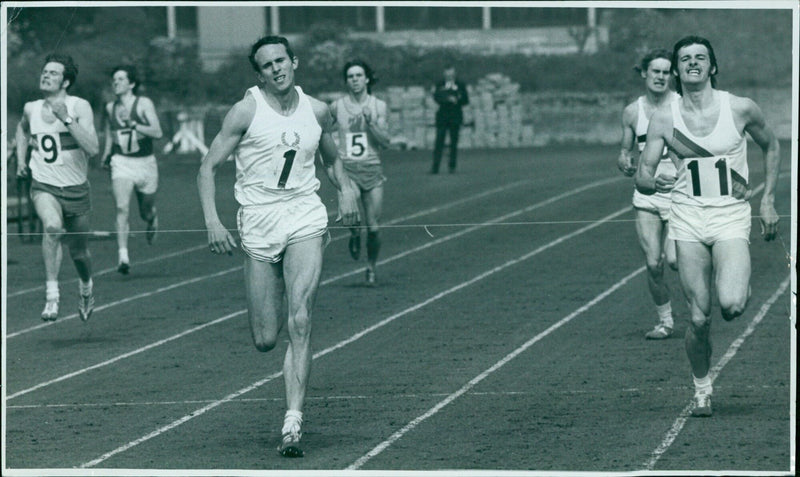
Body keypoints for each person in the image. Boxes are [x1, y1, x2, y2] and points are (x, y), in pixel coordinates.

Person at [196, 35, 360, 457]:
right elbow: (207, 167)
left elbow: (331, 156)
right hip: (259, 219)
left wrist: (343, 189)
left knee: (301, 320)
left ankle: (293, 420)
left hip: (304, 213)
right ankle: (276, 321)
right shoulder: (245, 111)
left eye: (281, 60)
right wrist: (213, 222)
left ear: (294, 62)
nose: (276, 69)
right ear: (259, 73)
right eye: (267, 65)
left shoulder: (317, 109)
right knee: (266, 338)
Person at [635, 36, 781, 417]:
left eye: (701, 58)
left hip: (730, 216)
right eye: (685, 59)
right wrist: (654, 181)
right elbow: (644, 173)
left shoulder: (739, 108)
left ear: (712, 66)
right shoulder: (665, 118)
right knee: (698, 319)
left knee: (731, 305)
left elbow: (773, 146)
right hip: (687, 218)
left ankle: (735, 279)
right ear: (678, 71)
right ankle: (702, 388)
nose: (693, 64)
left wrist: (767, 200)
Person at [15, 53, 100, 322]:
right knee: (51, 227)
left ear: (65, 81)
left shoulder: (79, 106)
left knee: (79, 253)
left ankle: (86, 287)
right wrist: (20, 160)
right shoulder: (31, 108)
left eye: (53, 73)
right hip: (44, 186)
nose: (46, 75)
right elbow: (21, 130)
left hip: (75, 189)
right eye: (45, 71)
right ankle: (52, 296)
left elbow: (93, 149)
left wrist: (67, 119)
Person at [618, 49, 681, 340]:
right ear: (644, 73)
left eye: (666, 72)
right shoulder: (633, 111)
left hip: (679, 192)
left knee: (674, 260)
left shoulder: (682, 107)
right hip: (647, 194)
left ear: (673, 75)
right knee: (654, 262)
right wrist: (625, 161)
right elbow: (625, 150)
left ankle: (699, 309)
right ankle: (665, 322)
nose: (660, 76)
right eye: (655, 71)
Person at [330, 60, 391, 285]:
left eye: (358, 75)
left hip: (372, 169)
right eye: (350, 76)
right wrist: (332, 147)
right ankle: (354, 234)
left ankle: (371, 267)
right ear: (346, 81)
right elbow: (323, 129)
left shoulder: (378, 106)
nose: (354, 79)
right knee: (351, 214)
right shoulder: (337, 106)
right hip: (348, 170)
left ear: (366, 79)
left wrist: (371, 122)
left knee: (374, 228)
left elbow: (385, 141)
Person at [101, 65, 163, 274]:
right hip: (122, 162)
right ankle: (123, 256)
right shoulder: (110, 107)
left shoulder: (143, 103)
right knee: (121, 207)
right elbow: (111, 131)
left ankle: (152, 216)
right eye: (114, 80)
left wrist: (134, 125)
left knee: (145, 211)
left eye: (120, 79)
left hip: (145, 164)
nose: (116, 83)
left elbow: (157, 132)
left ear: (132, 84)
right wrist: (107, 152)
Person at [431, 66, 469, 174]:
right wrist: (447, 99)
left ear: (454, 74)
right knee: (439, 141)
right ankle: (435, 166)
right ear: (444, 74)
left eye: (451, 74)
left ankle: (452, 165)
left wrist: (457, 100)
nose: (449, 76)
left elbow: (466, 100)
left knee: (454, 142)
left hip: (455, 116)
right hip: (442, 116)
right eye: (447, 74)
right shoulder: (439, 84)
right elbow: (436, 97)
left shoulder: (460, 85)